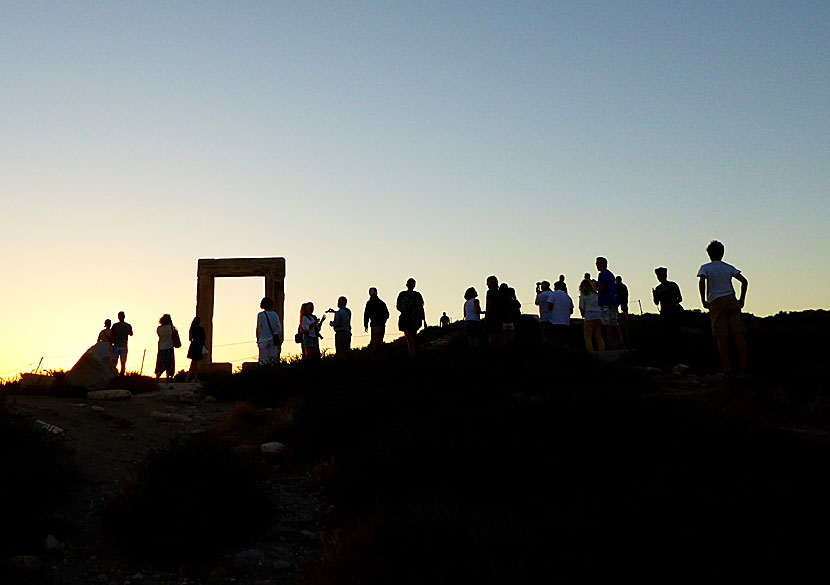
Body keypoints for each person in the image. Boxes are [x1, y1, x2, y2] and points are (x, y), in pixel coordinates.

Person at [697, 240, 748, 374]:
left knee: (721, 336)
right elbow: (744, 281)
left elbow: (702, 281)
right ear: (722, 253)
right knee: (738, 333)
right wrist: (741, 299)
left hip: (716, 301)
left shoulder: (705, 267)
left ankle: (727, 369)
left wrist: (703, 299)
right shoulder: (728, 267)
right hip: (731, 299)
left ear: (709, 254)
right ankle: (744, 366)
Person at [653, 267, 684, 357]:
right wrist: (654, 295)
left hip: (674, 313)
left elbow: (680, 298)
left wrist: (672, 304)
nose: (659, 278)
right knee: (666, 335)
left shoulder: (673, 285)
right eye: (658, 276)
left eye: (660, 275)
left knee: (675, 334)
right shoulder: (658, 288)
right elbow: (656, 302)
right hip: (664, 314)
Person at [595, 257, 621, 349]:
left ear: (604, 264)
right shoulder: (610, 274)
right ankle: (619, 342)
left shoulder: (602, 274)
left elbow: (602, 288)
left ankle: (610, 343)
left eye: (598, 263)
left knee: (607, 323)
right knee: (614, 323)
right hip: (612, 302)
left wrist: (595, 286)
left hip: (605, 302)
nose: (597, 266)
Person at [396, 278, 426, 356]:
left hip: (407, 320)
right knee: (412, 337)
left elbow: (398, 307)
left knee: (410, 338)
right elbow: (421, 308)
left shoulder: (402, 294)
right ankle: (413, 353)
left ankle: (412, 354)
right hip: (415, 320)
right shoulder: (417, 295)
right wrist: (424, 319)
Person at [579, 279, 605, 352]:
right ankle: (602, 351)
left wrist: (583, 314)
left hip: (589, 316)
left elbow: (581, 306)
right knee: (599, 336)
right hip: (598, 316)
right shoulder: (596, 295)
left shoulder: (583, 295)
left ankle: (590, 352)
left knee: (588, 337)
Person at [256, 297, 282, 365]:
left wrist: (258, 338)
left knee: (263, 359)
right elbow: (279, 328)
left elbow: (259, 328)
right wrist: (278, 337)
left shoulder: (261, 315)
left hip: (263, 339)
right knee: (273, 359)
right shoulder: (275, 315)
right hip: (273, 339)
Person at [155, 314, 177, 380]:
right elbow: (174, 335)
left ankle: (158, 374)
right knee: (169, 362)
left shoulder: (159, 328)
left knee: (160, 362)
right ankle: (169, 376)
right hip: (169, 346)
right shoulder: (172, 328)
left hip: (161, 346)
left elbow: (159, 335)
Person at [111, 311, 133, 375]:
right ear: (124, 317)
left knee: (114, 362)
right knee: (123, 362)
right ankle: (122, 374)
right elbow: (131, 334)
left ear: (118, 317)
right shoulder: (128, 325)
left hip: (116, 346)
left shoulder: (115, 326)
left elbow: (112, 335)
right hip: (124, 346)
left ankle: (114, 374)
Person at [484, 275, 504, 344]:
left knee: (492, 337)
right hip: (499, 316)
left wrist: (486, 316)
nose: (487, 284)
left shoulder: (489, 292)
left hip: (491, 316)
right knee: (499, 336)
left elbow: (488, 305)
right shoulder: (500, 292)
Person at [186, 316, 206, 382]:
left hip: (193, 344)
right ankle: (195, 378)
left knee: (193, 362)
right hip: (198, 345)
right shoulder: (201, 328)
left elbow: (190, 339)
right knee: (195, 363)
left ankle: (188, 378)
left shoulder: (192, 328)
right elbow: (203, 338)